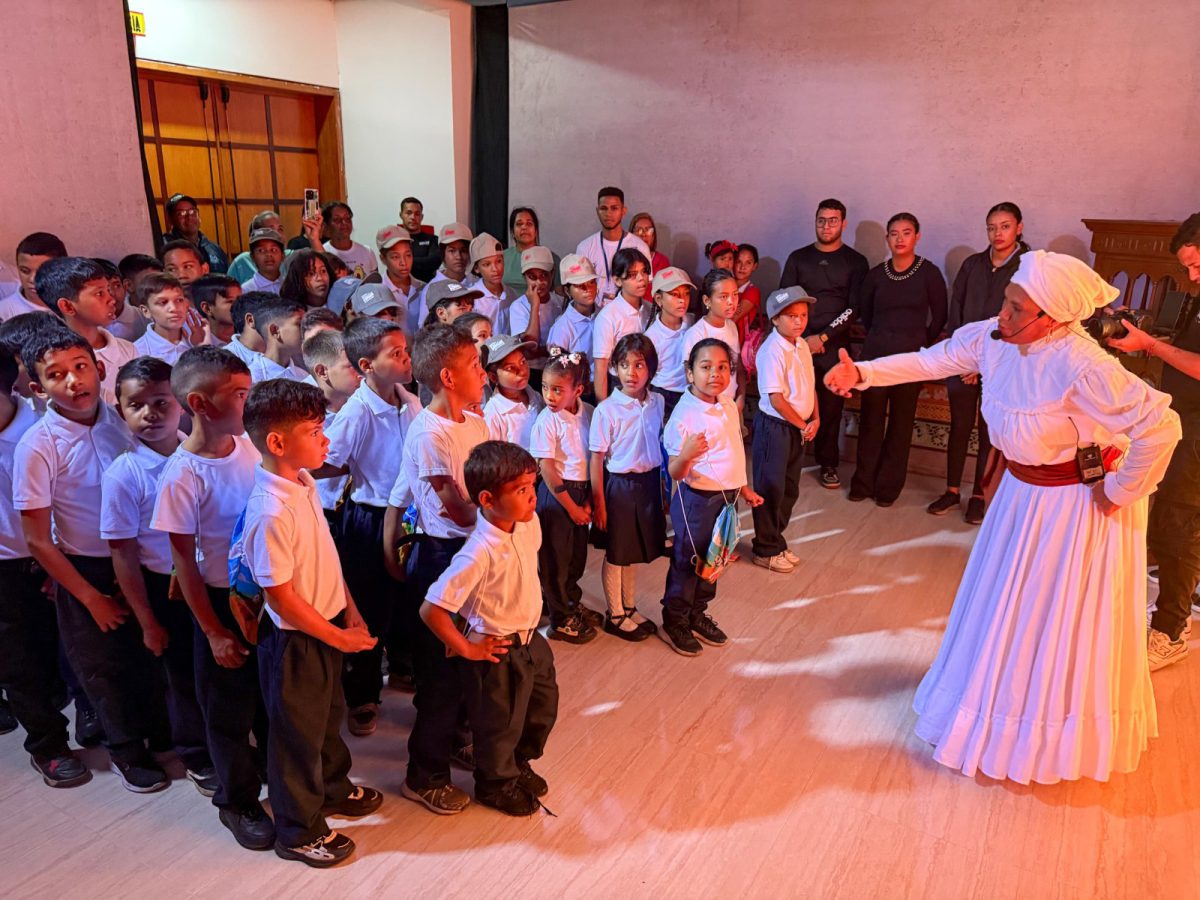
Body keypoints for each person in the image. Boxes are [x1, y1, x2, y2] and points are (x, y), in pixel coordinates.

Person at [823, 250, 1180, 784]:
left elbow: (1161, 425)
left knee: (1052, 618)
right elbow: (932, 359)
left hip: (1077, 508)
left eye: (1018, 310)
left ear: (1055, 318)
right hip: (1020, 495)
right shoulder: (995, 336)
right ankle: (989, 703)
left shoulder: (1085, 366)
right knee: (1005, 607)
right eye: (1006, 302)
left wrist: (1123, 490)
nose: (1004, 317)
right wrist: (864, 373)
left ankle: (1043, 734)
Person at [15, 329, 170, 791]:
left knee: (152, 653)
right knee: (103, 668)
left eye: (81, 367)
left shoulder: (123, 418)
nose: (73, 381)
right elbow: (39, 540)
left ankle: (164, 735)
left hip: (142, 559)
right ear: (38, 388)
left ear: (99, 368)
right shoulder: (38, 445)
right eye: (56, 375)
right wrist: (89, 596)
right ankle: (127, 750)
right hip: (88, 568)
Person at [237, 379, 382, 867]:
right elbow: (280, 598)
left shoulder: (302, 482)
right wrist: (337, 634)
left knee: (326, 719)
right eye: (317, 431)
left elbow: (325, 558)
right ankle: (298, 830)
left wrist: (350, 609)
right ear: (277, 443)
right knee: (295, 737)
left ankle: (334, 789)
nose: (327, 441)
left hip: (325, 627)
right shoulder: (270, 510)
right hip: (297, 642)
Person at [151, 346, 273, 849]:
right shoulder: (183, 474)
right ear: (200, 403)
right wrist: (215, 631)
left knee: (268, 699)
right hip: (221, 603)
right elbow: (184, 561)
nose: (250, 405)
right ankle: (238, 800)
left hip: (263, 593)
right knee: (227, 711)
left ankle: (277, 777)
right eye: (240, 396)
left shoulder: (247, 445)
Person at [420, 440, 558, 816]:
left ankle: (518, 764)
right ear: (487, 499)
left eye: (533, 487)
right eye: (521, 490)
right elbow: (432, 609)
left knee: (539, 710)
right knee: (499, 723)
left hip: (531, 640)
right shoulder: (477, 551)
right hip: (496, 649)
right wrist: (467, 649)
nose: (533, 497)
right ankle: (494, 784)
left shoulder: (528, 526)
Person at [384, 323, 489, 815]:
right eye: (475, 367)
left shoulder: (474, 420)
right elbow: (461, 512)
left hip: (477, 554)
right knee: (440, 673)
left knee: (470, 660)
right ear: (448, 377)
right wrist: (504, 512)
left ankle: (456, 738)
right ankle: (423, 773)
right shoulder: (429, 434)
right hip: (444, 560)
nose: (484, 374)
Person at [101, 357, 216, 795]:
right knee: (181, 674)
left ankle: (226, 740)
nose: (150, 413)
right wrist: (147, 620)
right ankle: (196, 753)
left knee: (216, 666)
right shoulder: (125, 474)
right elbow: (123, 553)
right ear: (121, 411)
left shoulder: (201, 452)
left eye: (161, 402)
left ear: (183, 404)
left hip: (209, 579)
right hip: (163, 587)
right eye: (136, 404)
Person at [315, 317, 421, 736]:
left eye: (405, 349)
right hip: (371, 519)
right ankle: (362, 695)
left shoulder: (409, 400)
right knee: (370, 608)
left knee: (407, 599)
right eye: (395, 353)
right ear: (367, 365)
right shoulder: (357, 411)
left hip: (409, 518)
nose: (406, 357)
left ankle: (402, 667)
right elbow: (329, 462)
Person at [1105, 211, 1200, 670]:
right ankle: (1170, 615)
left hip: (1199, 434)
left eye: (1198, 264)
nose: (1192, 275)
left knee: (1179, 529)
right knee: (1167, 522)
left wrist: (1150, 345)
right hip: (1181, 422)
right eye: (1187, 267)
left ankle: (1170, 631)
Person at [0, 342, 89, 788]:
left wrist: (55, 561)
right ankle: (49, 746)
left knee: (78, 646)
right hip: (5, 566)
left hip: (58, 553)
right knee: (20, 663)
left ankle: (94, 715)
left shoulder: (38, 428)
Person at [928, 202, 1031, 524]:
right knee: (959, 425)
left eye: (1004, 226)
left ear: (1019, 227)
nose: (997, 233)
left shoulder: (1028, 267)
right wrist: (963, 359)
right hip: (964, 360)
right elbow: (956, 311)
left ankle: (979, 495)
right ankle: (952, 489)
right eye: (991, 227)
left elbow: (1023, 319)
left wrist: (984, 365)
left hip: (1002, 364)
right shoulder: (972, 264)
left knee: (990, 431)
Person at [661, 339, 764, 656]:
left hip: (728, 498)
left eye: (722, 367)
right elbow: (676, 472)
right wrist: (688, 455)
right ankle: (675, 619)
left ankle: (697, 613)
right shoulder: (684, 415)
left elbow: (733, 449)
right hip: (697, 501)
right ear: (689, 373)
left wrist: (743, 487)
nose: (715, 374)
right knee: (688, 562)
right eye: (705, 367)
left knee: (714, 559)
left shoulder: (728, 405)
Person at [849, 213, 948, 506]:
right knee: (871, 421)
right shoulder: (877, 274)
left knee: (901, 424)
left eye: (906, 233)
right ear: (887, 239)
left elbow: (939, 314)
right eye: (894, 233)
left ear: (917, 236)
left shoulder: (929, 272)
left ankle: (888, 487)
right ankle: (863, 482)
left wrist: (920, 343)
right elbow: (866, 313)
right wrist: (881, 338)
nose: (900, 239)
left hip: (911, 360)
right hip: (876, 358)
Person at [779, 199, 870, 489]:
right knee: (792, 400)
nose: (826, 225)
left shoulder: (855, 262)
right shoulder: (798, 258)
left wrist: (824, 337)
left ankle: (828, 463)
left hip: (832, 346)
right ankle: (789, 460)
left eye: (833, 220)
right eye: (821, 220)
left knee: (830, 408)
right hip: (797, 341)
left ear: (843, 223)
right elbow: (785, 298)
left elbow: (854, 307)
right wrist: (800, 337)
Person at [589, 333, 665, 641]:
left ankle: (630, 606)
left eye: (639, 365)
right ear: (614, 369)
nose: (631, 373)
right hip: (619, 486)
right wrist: (599, 504)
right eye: (623, 365)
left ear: (651, 369)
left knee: (632, 549)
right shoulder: (607, 409)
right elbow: (596, 460)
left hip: (648, 483)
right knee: (617, 551)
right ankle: (615, 613)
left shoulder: (657, 401)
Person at [531, 350, 598, 644]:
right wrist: (571, 507)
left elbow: (593, 457)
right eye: (545, 387)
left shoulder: (589, 412)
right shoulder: (547, 421)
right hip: (557, 497)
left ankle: (570, 603)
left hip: (581, 492)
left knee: (575, 557)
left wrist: (589, 500)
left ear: (578, 390)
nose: (549, 395)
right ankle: (560, 619)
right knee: (555, 558)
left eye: (557, 389)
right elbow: (546, 467)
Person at [750, 287, 818, 573]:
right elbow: (776, 399)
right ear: (775, 319)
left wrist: (816, 418)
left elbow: (810, 386)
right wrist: (803, 424)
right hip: (776, 427)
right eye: (791, 316)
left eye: (802, 315)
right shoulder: (770, 350)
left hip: (798, 427)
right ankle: (765, 549)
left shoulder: (802, 345)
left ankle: (776, 540)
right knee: (770, 487)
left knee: (790, 488)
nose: (799, 321)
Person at [36, 257, 137, 405]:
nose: (112, 300)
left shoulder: (127, 350)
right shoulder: (50, 361)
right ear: (67, 306)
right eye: (99, 294)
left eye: (108, 290)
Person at [575, 187, 652, 308]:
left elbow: (645, 286)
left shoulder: (639, 246)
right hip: (594, 314)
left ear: (623, 211)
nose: (608, 213)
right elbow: (580, 288)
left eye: (614, 208)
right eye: (603, 208)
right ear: (597, 211)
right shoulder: (585, 247)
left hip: (629, 314)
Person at [592, 248, 651, 401]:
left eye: (644, 272)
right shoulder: (608, 316)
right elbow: (601, 368)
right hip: (619, 385)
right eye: (632, 275)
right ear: (618, 280)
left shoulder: (650, 309)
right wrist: (602, 408)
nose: (641, 278)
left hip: (647, 382)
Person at [682, 269, 743, 405]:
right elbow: (691, 380)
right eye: (723, 296)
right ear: (707, 300)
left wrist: (740, 398)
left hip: (731, 404)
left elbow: (737, 366)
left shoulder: (732, 326)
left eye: (735, 295)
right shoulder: (696, 334)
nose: (731, 302)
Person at [645, 266, 695, 422]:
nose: (682, 300)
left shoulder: (692, 323)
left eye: (686, 294)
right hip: (663, 395)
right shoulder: (651, 337)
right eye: (674, 294)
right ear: (659, 299)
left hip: (690, 393)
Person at [507, 246, 562, 386]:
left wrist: (544, 351)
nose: (539, 283)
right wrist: (535, 306)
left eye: (544, 275)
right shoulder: (518, 307)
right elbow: (531, 349)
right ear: (524, 278)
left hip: (558, 370)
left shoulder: (560, 303)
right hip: (531, 373)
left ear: (553, 274)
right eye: (532, 277)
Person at [227, 211, 324, 285]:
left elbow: (324, 264)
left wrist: (314, 238)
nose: (277, 234)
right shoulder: (241, 262)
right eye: (271, 229)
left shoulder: (292, 256)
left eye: (280, 229)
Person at [132, 272, 207, 365]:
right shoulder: (137, 352)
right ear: (146, 311)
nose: (174, 308)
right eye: (163, 302)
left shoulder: (201, 337)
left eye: (179, 300)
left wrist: (202, 345)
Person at [363, 225, 425, 332]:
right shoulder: (377, 294)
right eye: (395, 257)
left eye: (408, 255)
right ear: (383, 258)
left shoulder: (424, 288)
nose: (403, 263)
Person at [482, 334, 542, 444]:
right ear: (493, 377)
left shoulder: (536, 396)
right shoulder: (493, 415)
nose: (522, 371)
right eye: (510, 368)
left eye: (523, 362)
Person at [0, 232, 67, 320]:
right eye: (25, 271)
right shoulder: (4, 313)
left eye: (43, 271)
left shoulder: (78, 305)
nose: (32, 279)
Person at [547, 255, 599, 369]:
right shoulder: (562, 328)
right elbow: (558, 370)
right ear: (567, 291)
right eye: (580, 285)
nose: (588, 289)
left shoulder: (605, 315)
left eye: (592, 282)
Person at [502, 207, 560, 300]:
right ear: (512, 232)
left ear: (536, 231)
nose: (524, 227)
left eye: (529, 224)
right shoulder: (501, 257)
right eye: (519, 224)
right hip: (505, 311)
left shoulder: (551, 258)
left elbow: (559, 296)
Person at [163, 193, 229, 273]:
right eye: (181, 213)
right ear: (170, 219)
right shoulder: (165, 247)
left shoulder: (214, 249)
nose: (189, 216)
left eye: (192, 211)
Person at [246, 298, 307, 383]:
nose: (307, 330)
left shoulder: (303, 376)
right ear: (275, 331)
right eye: (299, 324)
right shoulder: (251, 379)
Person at [417, 222, 474, 310]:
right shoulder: (431, 289)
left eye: (463, 251)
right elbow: (425, 323)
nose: (458, 257)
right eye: (452, 251)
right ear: (443, 254)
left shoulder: (475, 283)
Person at [321, 202, 377, 279]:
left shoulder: (367, 251)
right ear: (326, 225)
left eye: (347, 218)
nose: (344, 223)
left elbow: (376, 284)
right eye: (337, 220)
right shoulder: (322, 251)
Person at [97, 257, 144, 345]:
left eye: (116, 286)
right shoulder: (85, 325)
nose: (111, 294)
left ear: (125, 286)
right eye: (101, 290)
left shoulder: (144, 319)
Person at [222, 290, 272, 367]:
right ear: (251, 320)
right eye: (275, 318)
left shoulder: (285, 354)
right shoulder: (223, 360)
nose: (280, 326)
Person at [191, 275, 241, 348]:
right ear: (207, 308)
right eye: (230, 301)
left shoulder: (249, 339)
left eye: (240, 299)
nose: (239, 304)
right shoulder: (197, 345)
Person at [400, 196, 442, 283]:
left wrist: (404, 262)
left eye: (417, 214)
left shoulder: (433, 239)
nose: (413, 217)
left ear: (422, 217)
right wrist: (422, 261)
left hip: (427, 287)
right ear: (401, 215)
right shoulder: (396, 242)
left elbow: (433, 262)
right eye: (408, 213)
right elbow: (392, 266)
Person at [468, 233, 507, 324]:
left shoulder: (511, 294)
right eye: (487, 264)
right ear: (476, 268)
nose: (495, 269)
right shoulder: (470, 298)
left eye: (498, 261)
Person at [239, 229, 286, 293]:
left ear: (282, 255)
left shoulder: (291, 286)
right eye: (261, 250)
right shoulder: (246, 290)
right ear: (252, 257)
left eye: (274, 250)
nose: (268, 254)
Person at [733, 244, 761, 344]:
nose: (742, 267)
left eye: (748, 263)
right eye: (738, 262)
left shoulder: (752, 291)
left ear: (754, 266)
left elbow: (732, 317)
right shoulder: (724, 288)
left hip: (739, 343)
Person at [630, 212, 671, 283]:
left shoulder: (663, 261)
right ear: (631, 234)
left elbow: (666, 289)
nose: (643, 234)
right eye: (638, 230)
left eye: (648, 230)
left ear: (653, 236)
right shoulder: (623, 260)